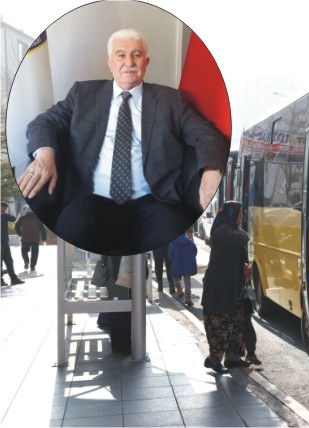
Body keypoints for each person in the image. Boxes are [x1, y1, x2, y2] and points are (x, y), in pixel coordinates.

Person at [17, 28, 229, 256]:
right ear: (109, 62)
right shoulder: (82, 94)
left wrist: (211, 170)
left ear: (146, 62)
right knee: (71, 229)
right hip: (90, 198)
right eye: (120, 55)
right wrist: (45, 153)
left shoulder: (171, 101)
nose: (128, 62)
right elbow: (43, 122)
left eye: (136, 55)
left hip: (154, 202)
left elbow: (206, 134)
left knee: (169, 238)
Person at [200, 201, 252, 373]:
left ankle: (232, 357)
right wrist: (243, 232)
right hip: (219, 288)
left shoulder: (231, 230)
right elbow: (241, 238)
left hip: (232, 287)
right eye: (240, 213)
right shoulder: (222, 231)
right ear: (231, 214)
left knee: (236, 322)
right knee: (220, 323)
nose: (242, 216)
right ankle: (214, 359)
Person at [15, 206, 47, 276]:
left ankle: (26, 261)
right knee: (35, 253)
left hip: (25, 237)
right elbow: (42, 229)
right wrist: (44, 238)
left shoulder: (22, 218)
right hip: (35, 238)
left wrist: (20, 234)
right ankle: (32, 266)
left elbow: (16, 227)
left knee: (24, 251)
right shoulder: (37, 218)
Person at [168, 230, 197, 306]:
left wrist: (173, 260)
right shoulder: (189, 242)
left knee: (174, 275)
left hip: (177, 262)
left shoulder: (173, 242)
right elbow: (195, 251)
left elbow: (170, 254)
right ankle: (188, 298)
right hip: (187, 263)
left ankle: (179, 290)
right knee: (187, 280)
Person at [1, 202, 24, 285]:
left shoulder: (4, 216)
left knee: (9, 261)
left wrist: (4, 214)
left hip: (5, 242)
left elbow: (13, 218)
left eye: (5, 208)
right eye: (3, 208)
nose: (4, 209)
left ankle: (14, 279)